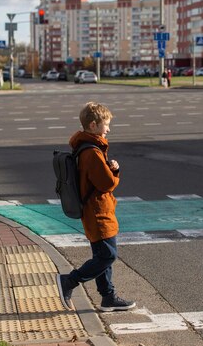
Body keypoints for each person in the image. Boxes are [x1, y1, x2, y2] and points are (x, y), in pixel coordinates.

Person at [57, 102, 136, 312]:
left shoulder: (86, 148)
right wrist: (115, 171)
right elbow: (107, 183)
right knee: (107, 255)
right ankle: (70, 281)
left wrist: (108, 167)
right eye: (106, 124)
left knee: (102, 256)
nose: (108, 129)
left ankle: (108, 297)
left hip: (96, 210)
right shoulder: (92, 152)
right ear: (93, 125)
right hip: (98, 211)